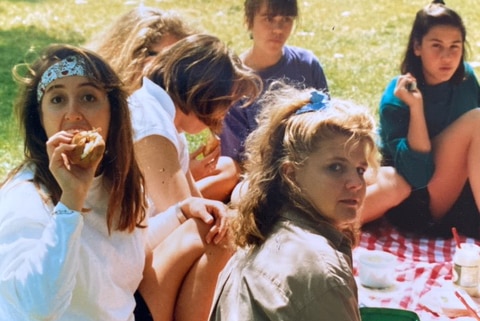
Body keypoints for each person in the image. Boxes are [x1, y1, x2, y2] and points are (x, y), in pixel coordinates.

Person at [0, 44, 229, 321]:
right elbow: (35, 307)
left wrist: (181, 213)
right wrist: (70, 202)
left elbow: (125, 248)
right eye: (57, 99)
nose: (73, 112)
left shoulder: (113, 179)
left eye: (88, 97)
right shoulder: (26, 196)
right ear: (41, 118)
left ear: (113, 112)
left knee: (216, 231)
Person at [208, 83, 379, 321]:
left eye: (360, 170)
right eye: (336, 167)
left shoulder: (266, 224)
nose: (356, 183)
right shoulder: (321, 272)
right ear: (291, 174)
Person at [129, 33, 260, 321]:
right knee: (217, 232)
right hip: (118, 279)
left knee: (221, 226)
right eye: (225, 101)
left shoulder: (157, 114)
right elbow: (191, 217)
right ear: (202, 92)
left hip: (133, 256)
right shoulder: (151, 125)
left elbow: (195, 202)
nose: (225, 113)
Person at [87, 5, 236, 202]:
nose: (175, 67)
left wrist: (184, 169)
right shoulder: (122, 107)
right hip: (131, 207)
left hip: (156, 197)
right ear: (132, 54)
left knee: (227, 168)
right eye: (166, 56)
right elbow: (182, 212)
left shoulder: (165, 109)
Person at [361, 0, 480, 238]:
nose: (447, 56)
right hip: (417, 204)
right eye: (436, 46)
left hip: (460, 197)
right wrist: (416, 108)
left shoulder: (466, 79)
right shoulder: (397, 97)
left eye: (455, 46)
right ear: (417, 47)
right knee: (477, 121)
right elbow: (416, 177)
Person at [219, 0, 329, 188]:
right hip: (261, 179)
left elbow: (328, 126)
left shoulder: (307, 64)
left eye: (286, 19)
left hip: (313, 169)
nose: (278, 29)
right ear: (248, 21)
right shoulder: (233, 80)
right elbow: (237, 159)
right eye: (269, 19)